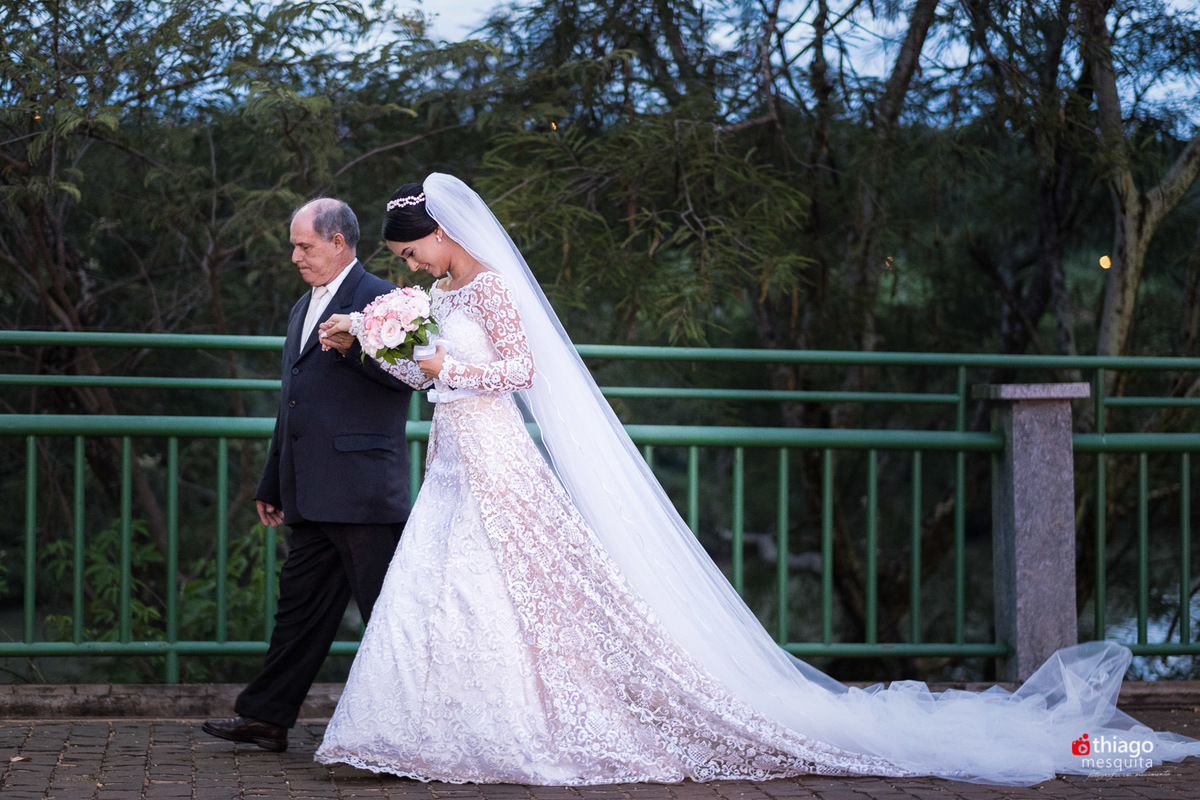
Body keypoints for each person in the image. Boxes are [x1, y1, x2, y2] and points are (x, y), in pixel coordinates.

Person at [313, 174, 1200, 785]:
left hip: (498, 452)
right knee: (456, 587)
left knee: (528, 585)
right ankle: (436, 723)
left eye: (415, 252)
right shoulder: (437, 301)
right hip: (453, 457)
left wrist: (436, 360)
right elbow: (427, 372)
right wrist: (387, 348)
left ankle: (510, 721)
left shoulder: (494, 289)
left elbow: (515, 372)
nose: (410, 267)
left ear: (442, 234)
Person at [202, 198, 413, 753]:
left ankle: (410, 729)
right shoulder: (302, 307)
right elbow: (291, 402)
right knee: (299, 610)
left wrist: (352, 347)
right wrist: (273, 481)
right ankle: (267, 718)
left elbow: (411, 380)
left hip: (364, 488)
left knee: (387, 617)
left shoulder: (384, 299)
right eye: (294, 245)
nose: (294, 255)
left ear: (338, 242)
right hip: (311, 489)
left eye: (304, 245)